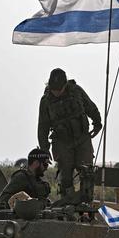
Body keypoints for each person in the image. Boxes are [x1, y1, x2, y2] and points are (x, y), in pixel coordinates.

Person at [38, 68, 102, 197]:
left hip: (82, 138)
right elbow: (42, 127)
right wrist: (45, 149)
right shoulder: (45, 101)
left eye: (59, 89)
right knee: (65, 176)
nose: (56, 92)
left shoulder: (76, 91)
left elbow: (91, 107)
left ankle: (85, 203)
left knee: (87, 173)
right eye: (54, 89)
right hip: (62, 142)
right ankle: (67, 204)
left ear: (65, 85)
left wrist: (97, 123)